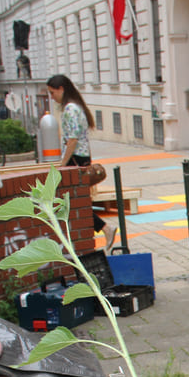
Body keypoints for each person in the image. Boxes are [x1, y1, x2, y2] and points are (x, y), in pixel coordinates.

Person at [45, 74, 117, 250]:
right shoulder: (77, 107)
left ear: (61, 89)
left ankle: (105, 228)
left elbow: (73, 140)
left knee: (73, 201)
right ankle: (104, 228)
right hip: (81, 158)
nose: (51, 97)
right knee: (76, 200)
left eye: (52, 92)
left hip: (75, 159)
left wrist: (62, 165)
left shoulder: (70, 109)